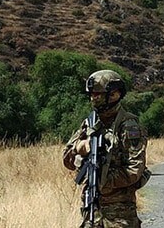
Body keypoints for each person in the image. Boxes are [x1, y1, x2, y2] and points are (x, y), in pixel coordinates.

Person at [63, 70, 150, 228]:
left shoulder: (129, 126)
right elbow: (66, 160)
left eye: (97, 94)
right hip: (92, 209)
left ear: (114, 94)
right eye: (91, 94)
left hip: (119, 212)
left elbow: (135, 169)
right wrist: (78, 148)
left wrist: (102, 179)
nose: (93, 98)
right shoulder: (90, 123)